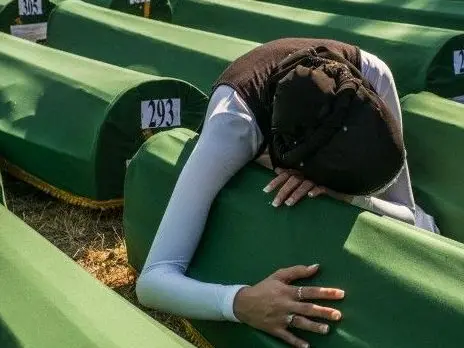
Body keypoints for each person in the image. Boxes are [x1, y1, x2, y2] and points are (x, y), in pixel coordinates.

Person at [136, 38, 439, 348]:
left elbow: (412, 220)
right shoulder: (232, 126)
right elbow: (154, 279)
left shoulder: (373, 75)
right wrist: (239, 303)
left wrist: (348, 198)